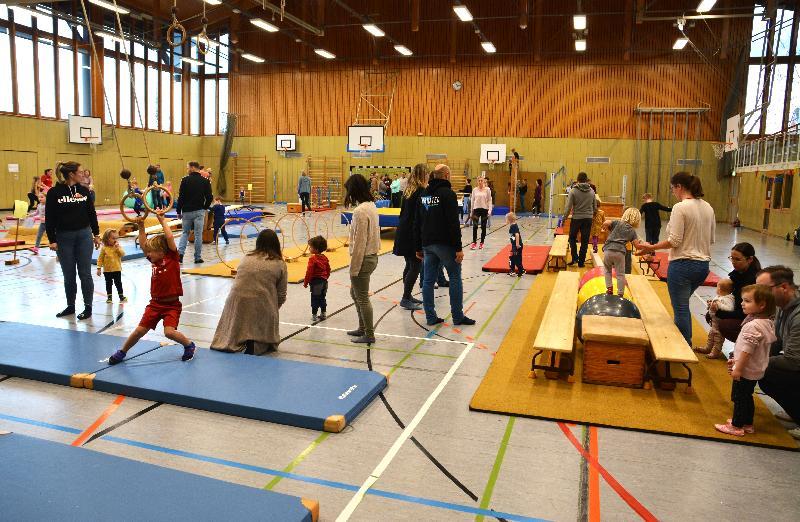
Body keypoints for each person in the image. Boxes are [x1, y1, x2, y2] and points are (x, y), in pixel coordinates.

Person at [636, 172, 715, 344]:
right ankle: (685, 341)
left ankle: (683, 346)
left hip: (683, 265)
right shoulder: (708, 207)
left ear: (679, 186)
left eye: (672, 188)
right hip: (703, 267)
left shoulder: (681, 207)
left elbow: (675, 241)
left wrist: (650, 247)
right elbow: (711, 239)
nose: (672, 192)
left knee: (680, 309)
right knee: (683, 305)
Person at [108, 214, 196, 364]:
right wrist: (141, 226)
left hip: (171, 305)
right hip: (155, 304)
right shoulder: (154, 261)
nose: (147, 254)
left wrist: (162, 220)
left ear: (162, 252)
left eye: (151, 252)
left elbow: (169, 237)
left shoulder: (172, 258)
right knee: (139, 331)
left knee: (169, 332)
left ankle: (189, 345)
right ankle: (122, 352)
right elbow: (143, 244)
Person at [415, 164, 475, 327]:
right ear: (447, 175)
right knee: (455, 277)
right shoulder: (448, 194)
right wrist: (458, 248)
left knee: (428, 281)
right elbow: (453, 223)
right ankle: (458, 316)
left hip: (428, 244)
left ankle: (430, 316)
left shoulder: (425, 194)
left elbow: (418, 221)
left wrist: (419, 246)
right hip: (445, 245)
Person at [211, 229, 288, 355]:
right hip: (261, 303)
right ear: (276, 244)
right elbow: (281, 295)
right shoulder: (279, 264)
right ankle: (255, 343)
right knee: (266, 339)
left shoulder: (246, 257)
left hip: (235, 302)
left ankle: (238, 340)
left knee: (235, 331)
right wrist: (272, 310)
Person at [714, 284, 776, 437]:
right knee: (747, 396)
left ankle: (736, 425)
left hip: (746, 369)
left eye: (747, 301)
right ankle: (747, 423)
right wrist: (736, 359)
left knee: (739, 397)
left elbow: (748, 350)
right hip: (756, 368)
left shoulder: (753, 326)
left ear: (761, 305)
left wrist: (738, 367)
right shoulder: (766, 322)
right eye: (743, 300)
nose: (742, 303)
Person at [46, 161, 100, 320]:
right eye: (81, 172)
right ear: (71, 174)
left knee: (85, 273)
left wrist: (96, 234)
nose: (83, 174)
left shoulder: (84, 191)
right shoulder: (54, 192)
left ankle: (88, 307)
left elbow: (92, 213)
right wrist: (52, 239)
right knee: (68, 274)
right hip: (64, 238)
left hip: (84, 236)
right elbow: (49, 218)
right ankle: (70, 306)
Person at [756, 266, 800, 437]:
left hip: (796, 361)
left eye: (765, 289)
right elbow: (777, 339)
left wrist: (757, 360)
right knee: (763, 372)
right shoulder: (782, 305)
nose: (760, 294)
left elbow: (793, 361)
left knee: (768, 373)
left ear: (784, 287)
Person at [344, 174, 381, 344]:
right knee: (355, 293)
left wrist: (354, 267)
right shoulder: (371, 206)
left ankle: (369, 333)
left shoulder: (360, 211)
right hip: (372, 257)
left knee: (362, 297)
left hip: (363, 258)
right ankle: (362, 328)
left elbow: (360, 242)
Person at [393, 163, 428, 311]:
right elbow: (422, 214)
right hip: (412, 233)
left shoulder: (408, 190)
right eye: (427, 174)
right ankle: (405, 297)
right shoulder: (421, 191)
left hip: (403, 230)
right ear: (423, 175)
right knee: (415, 265)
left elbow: (403, 212)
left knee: (409, 264)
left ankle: (407, 294)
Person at [714, 243, 761, 343]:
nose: (733, 262)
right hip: (741, 312)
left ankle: (746, 346)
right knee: (712, 314)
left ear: (750, 259)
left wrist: (720, 312)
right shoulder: (737, 274)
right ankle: (715, 346)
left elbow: (747, 312)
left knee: (724, 324)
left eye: (737, 259)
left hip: (751, 317)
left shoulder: (754, 280)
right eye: (732, 258)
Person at [602, 208, 645, 297]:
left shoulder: (617, 223)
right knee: (620, 273)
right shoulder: (632, 231)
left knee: (607, 270)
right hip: (620, 252)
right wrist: (645, 246)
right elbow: (637, 246)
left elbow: (606, 222)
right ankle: (620, 293)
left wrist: (605, 228)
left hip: (608, 250)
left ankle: (609, 288)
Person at [176, 161, 213, 264]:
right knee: (198, 235)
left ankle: (180, 255)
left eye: (188, 168)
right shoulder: (205, 181)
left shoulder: (184, 180)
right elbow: (210, 197)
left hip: (187, 211)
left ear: (192, 168)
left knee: (185, 233)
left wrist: (179, 211)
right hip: (199, 211)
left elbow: (181, 197)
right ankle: (197, 258)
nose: (187, 170)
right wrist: (204, 208)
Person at [694, 278, 735, 359]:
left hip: (720, 323)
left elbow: (729, 308)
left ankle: (716, 352)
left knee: (718, 339)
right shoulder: (720, 296)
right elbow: (715, 304)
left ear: (719, 289)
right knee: (711, 336)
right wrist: (710, 304)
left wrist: (718, 306)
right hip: (714, 322)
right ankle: (708, 348)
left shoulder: (729, 299)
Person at [564, 172, 597, 268]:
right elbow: (595, 207)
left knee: (572, 238)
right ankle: (581, 262)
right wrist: (591, 214)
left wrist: (564, 217)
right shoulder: (591, 191)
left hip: (577, 218)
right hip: (588, 219)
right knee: (585, 240)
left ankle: (575, 257)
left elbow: (568, 206)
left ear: (577, 180)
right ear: (586, 180)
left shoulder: (573, 191)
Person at [304, 235, 331, 321]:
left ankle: (314, 315)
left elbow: (309, 271)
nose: (309, 249)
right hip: (324, 282)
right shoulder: (325, 258)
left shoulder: (313, 259)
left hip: (316, 282)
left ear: (315, 249)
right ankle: (323, 313)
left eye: (310, 247)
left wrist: (306, 282)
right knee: (322, 297)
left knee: (315, 298)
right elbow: (328, 269)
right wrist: (326, 277)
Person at [96, 229, 127, 303]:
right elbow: (100, 259)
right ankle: (109, 297)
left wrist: (118, 248)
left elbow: (122, 254)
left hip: (117, 269)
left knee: (118, 283)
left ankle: (121, 296)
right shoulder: (104, 248)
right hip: (107, 270)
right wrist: (99, 268)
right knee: (108, 283)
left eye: (116, 238)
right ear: (107, 239)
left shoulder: (118, 247)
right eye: (113, 238)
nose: (115, 240)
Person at [469, 177, 492, 250]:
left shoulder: (487, 189)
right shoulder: (474, 190)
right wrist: (471, 211)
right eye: (479, 181)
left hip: (484, 209)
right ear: (477, 182)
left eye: (481, 180)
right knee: (475, 226)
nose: (480, 182)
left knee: (483, 226)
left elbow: (489, 200)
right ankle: (474, 243)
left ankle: (482, 242)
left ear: (484, 181)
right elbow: (472, 200)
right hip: (476, 209)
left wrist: (489, 210)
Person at [507, 212, 524, 277]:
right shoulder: (513, 225)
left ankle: (521, 270)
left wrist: (517, 244)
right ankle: (512, 270)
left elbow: (517, 235)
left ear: (509, 220)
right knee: (512, 257)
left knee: (516, 258)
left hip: (516, 246)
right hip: (515, 245)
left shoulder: (513, 226)